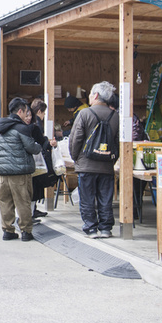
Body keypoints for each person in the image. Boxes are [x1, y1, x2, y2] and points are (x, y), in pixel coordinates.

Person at [69, 81, 120, 239]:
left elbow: (75, 140)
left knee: (87, 199)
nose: (89, 97)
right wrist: (111, 158)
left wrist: (76, 158)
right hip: (106, 166)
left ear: (96, 95)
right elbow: (118, 142)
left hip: (86, 165)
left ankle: (91, 228)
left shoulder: (84, 114)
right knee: (105, 198)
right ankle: (106, 229)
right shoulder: (115, 116)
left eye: (90, 93)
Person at [0, 98, 41, 241]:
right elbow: (32, 148)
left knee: (5, 202)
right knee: (23, 202)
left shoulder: (0, 127)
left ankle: (8, 231)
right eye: (26, 112)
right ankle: (26, 232)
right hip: (19, 173)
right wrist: (41, 146)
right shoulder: (21, 128)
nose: (27, 115)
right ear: (20, 111)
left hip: (3, 173)